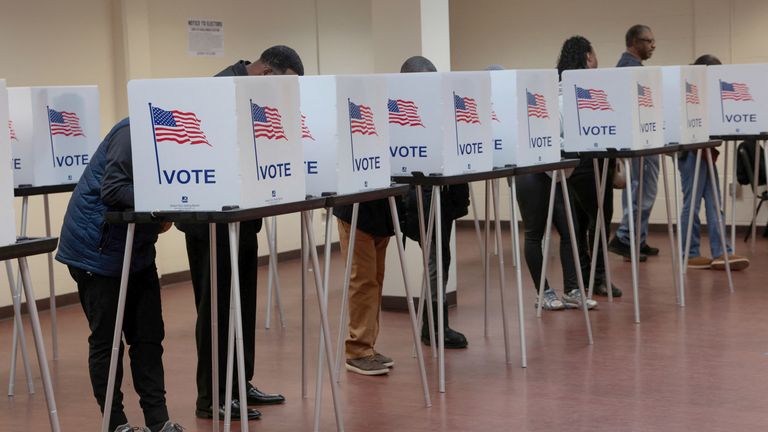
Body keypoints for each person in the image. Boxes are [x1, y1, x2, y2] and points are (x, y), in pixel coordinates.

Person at [177, 46, 302, 420]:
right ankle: (212, 397)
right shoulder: (219, 90)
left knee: (243, 304)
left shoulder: (249, 91)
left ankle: (239, 383)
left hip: (246, 215)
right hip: (210, 221)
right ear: (267, 74)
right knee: (216, 309)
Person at [56, 122, 182, 431]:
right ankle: (115, 422)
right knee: (108, 341)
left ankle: (159, 420)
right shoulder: (132, 132)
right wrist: (164, 201)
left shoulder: (184, 143)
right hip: (96, 250)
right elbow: (113, 189)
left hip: (136, 249)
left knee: (149, 336)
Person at [506, 39, 598, 311]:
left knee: (571, 230)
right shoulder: (556, 97)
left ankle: (572, 289)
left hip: (559, 173)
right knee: (535, 233)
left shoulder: (573, 97)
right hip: (534, 171)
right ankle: (543, 291)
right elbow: (550, 136)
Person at [401, 56, 469, 348]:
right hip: (420, 196)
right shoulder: (403, 113)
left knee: (440, 259)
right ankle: (435, 327)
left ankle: (435, 326)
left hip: (441, 195)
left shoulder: (436, 110)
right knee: (435, 260)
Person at [560, 36, 623, 298]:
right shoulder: (593, 86)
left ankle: (585, 275)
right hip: (594, 162)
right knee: (599, 221)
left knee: (578, 223)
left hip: (572, 164)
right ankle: (598, 278)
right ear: (588, 56)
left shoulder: (560, 85)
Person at [678, 54, 749, 270]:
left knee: (714, 201)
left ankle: (722, 252)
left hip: (705, 151)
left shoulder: (700, 90)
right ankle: (689, 253)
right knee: (692, 203)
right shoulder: (688, 90)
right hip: (690, 153)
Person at [609, 24, 661, 261]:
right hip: (640, 141)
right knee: (642, 192)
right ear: (633, 42)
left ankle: (636, 239)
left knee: (639, 191)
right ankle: (625, 238)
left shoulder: (629, 68)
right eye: (648, 40)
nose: (653, 45)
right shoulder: (631, 70)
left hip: (639, 139)